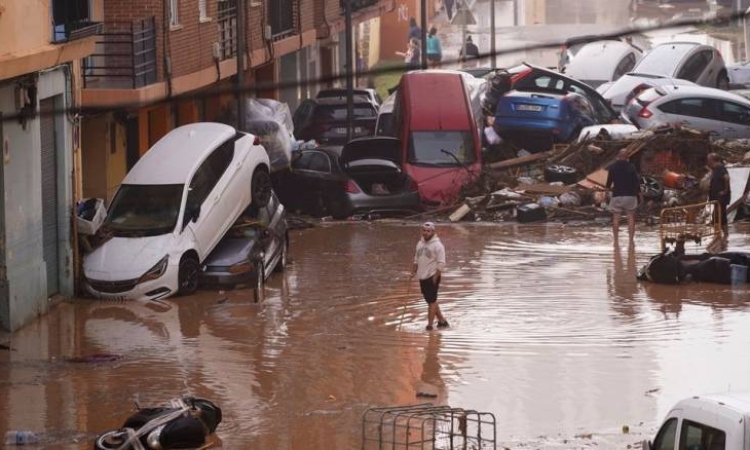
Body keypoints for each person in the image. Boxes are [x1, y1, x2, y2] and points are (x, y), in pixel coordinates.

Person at [411, 222, 448, 331]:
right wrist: (413, 272)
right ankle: (442, 321)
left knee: (431, 301)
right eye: (424, 230)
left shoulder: (438, 245)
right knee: (430, 300)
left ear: (433, 232)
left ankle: (430, 326)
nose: (426, 233)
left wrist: (435, 277)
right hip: (422, 277)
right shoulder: (419, 243)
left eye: (428, 231)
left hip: (432, 276)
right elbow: (416, 260)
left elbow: (442, 263)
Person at [606, 148, 642, 245]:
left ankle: (616, 241)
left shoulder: (612, 167)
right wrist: (640, 195)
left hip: (617, 195)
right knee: (630, 217)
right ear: (627, 157)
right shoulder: (632, 167)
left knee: (616, 218)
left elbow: (608, 183)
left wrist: (606, 192)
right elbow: (636, 182)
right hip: (630, 196)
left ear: (618, 156)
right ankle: (631, 241)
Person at [707, 152, 731, 238]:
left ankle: (722, 234)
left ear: (712, 160)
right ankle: (720, 234)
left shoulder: (720, 168)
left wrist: (725, 190)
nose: (707, 162)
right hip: (717, 197)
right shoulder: (715, 169)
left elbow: (727, 178)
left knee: (720, 215)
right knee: (717, 215)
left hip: (721, 197)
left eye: (708, 160)